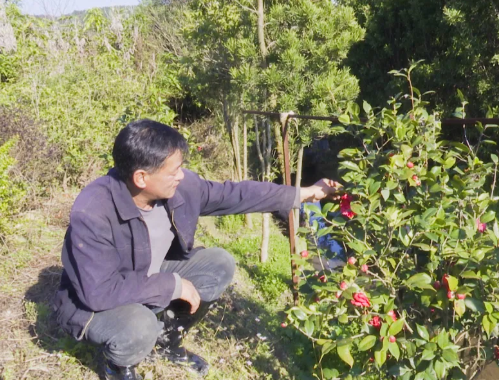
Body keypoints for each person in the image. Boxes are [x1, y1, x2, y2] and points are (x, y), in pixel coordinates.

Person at [52, 119, 339, 380]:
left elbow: (236, 194)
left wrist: (304, 193)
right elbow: (100, 291)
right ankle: (117, 365)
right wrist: (172, 285)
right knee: (140, 326)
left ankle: (166, 344)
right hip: (93, 302)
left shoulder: (180, 187)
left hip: (145, 272)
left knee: (218, 263)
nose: (181, 176)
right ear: (141, 178)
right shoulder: (94, 211)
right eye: (173, 170)